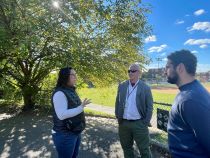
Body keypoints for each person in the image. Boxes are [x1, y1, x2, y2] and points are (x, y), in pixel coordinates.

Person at [165, 50, 210, 158]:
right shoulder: (189, 92)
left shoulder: (190, 99)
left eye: (167, 67)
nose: (164, 71)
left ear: (180, 68)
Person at [115, 64, 153, 158]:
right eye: (129, 71)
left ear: (139, 73)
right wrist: (118, 115)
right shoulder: (122, 85)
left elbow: (150, 107)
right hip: (124, 124)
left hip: (139, 124)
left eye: (133, 71)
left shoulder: (145, 88)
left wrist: (145, 122)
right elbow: (117, 102)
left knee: (144, 150)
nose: (130, 73)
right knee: (127, 149)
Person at [51, 67, 91, 158]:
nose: (76, 77)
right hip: (65, 134)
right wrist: (81, 107)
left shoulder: (70, 90)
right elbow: (61, 115)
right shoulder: (59, 93)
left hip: (74, 131)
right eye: (73, 74)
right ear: (65, 77)